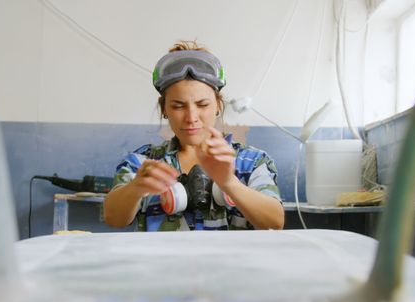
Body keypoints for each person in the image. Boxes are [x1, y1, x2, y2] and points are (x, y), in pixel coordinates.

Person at [103, 40, 284, 231]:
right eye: (178, 106)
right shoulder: (142, 163)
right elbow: (114, 219)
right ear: (164, 109)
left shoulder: (253, 162)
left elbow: (275, 223)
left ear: (218, 106)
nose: (191, 118)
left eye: (202, 105)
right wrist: (136, 188)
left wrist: (229, 183)